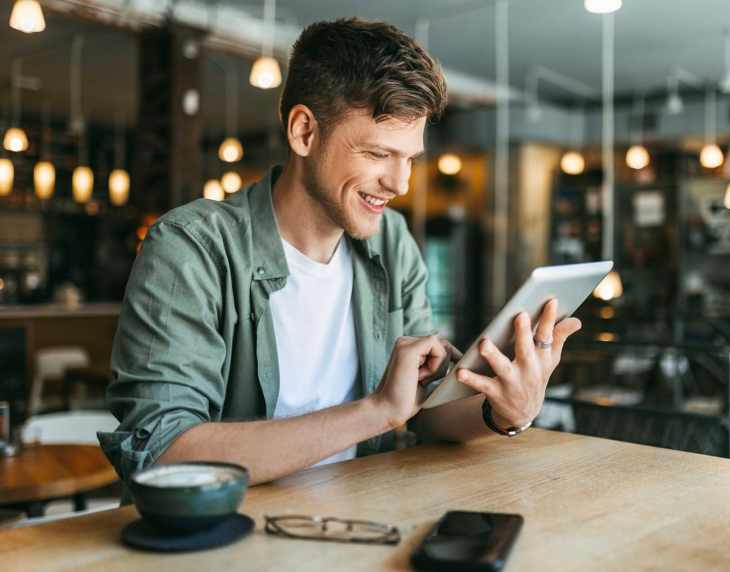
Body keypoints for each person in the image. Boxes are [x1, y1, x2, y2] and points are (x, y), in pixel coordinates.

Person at [99, 18, 582, 486]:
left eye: (409, 158)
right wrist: (374, 412)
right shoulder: (191, 248)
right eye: (377, 155)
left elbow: (425, 414)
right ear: (304, 131)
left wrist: (502, 411)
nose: (399, 183)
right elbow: (162, 451)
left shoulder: (393, 244)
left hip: (358, 529)